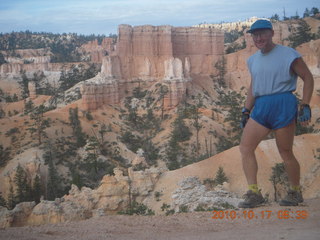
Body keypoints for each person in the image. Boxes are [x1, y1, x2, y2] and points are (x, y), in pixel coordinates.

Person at [238, 19, 314, 208]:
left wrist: (305, 104)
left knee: (285, 151)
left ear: (272, 33)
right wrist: (246, 110)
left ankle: (295, 192)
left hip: (283, 103)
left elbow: (307, 77)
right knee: (245, 147)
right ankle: (254, 193)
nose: (259, 38)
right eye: (255, 35)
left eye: (262, 33)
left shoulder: (289, 54)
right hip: (261, 107)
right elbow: (254, 86)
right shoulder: (253, 60)